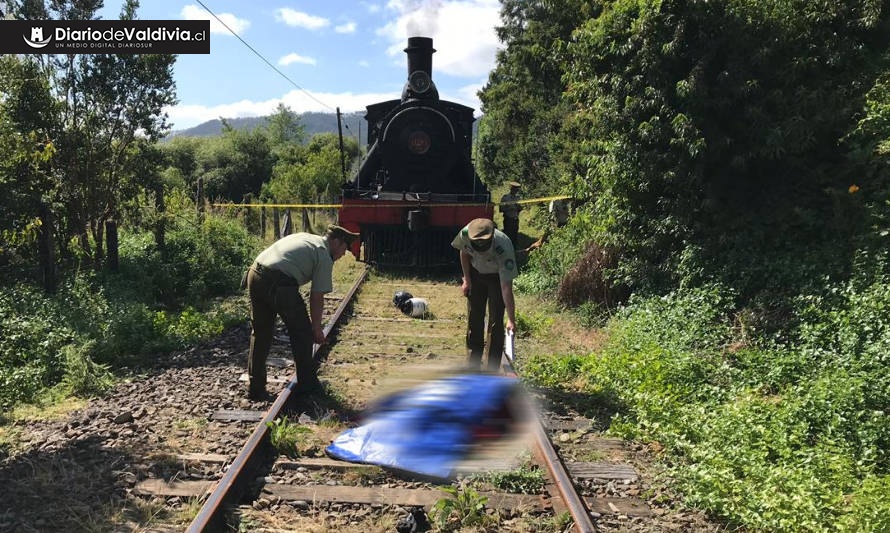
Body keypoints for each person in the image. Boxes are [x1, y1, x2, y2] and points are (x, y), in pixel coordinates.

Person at [245, 225, 359, 400]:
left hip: (255, 274)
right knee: (302, 333)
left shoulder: (308, 238)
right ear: (336, 242)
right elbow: (317, 296)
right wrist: (316, 328)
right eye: (345, 248)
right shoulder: (323, 254)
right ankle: (307, 387)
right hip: (279, 281)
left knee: (260, 334)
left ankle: (256, 388)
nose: (344, 254)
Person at [452, 218, 518, 371]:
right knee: (474, 317)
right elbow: (464, 253)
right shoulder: (466, 233)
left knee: (496, 320)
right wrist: (467, 280)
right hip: (476, 275)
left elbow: (506, 287)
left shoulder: (503, 246)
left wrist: (511, 319)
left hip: (496, 278)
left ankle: (492, 368)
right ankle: (473, 364)